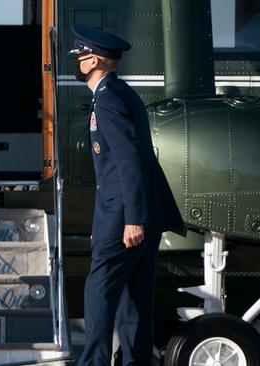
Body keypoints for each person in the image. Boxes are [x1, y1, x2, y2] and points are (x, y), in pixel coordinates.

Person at [68, 25, 184, 366]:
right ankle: (136, 361)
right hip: (132, 212)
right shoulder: (122, 93)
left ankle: (94, 361)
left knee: (99, 290)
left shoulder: (106, 99)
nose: (76, 63)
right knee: (135, 295)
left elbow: (128, 160)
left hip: (125, 215)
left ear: (93, 61)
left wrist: (132, 218)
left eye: (80, 57)